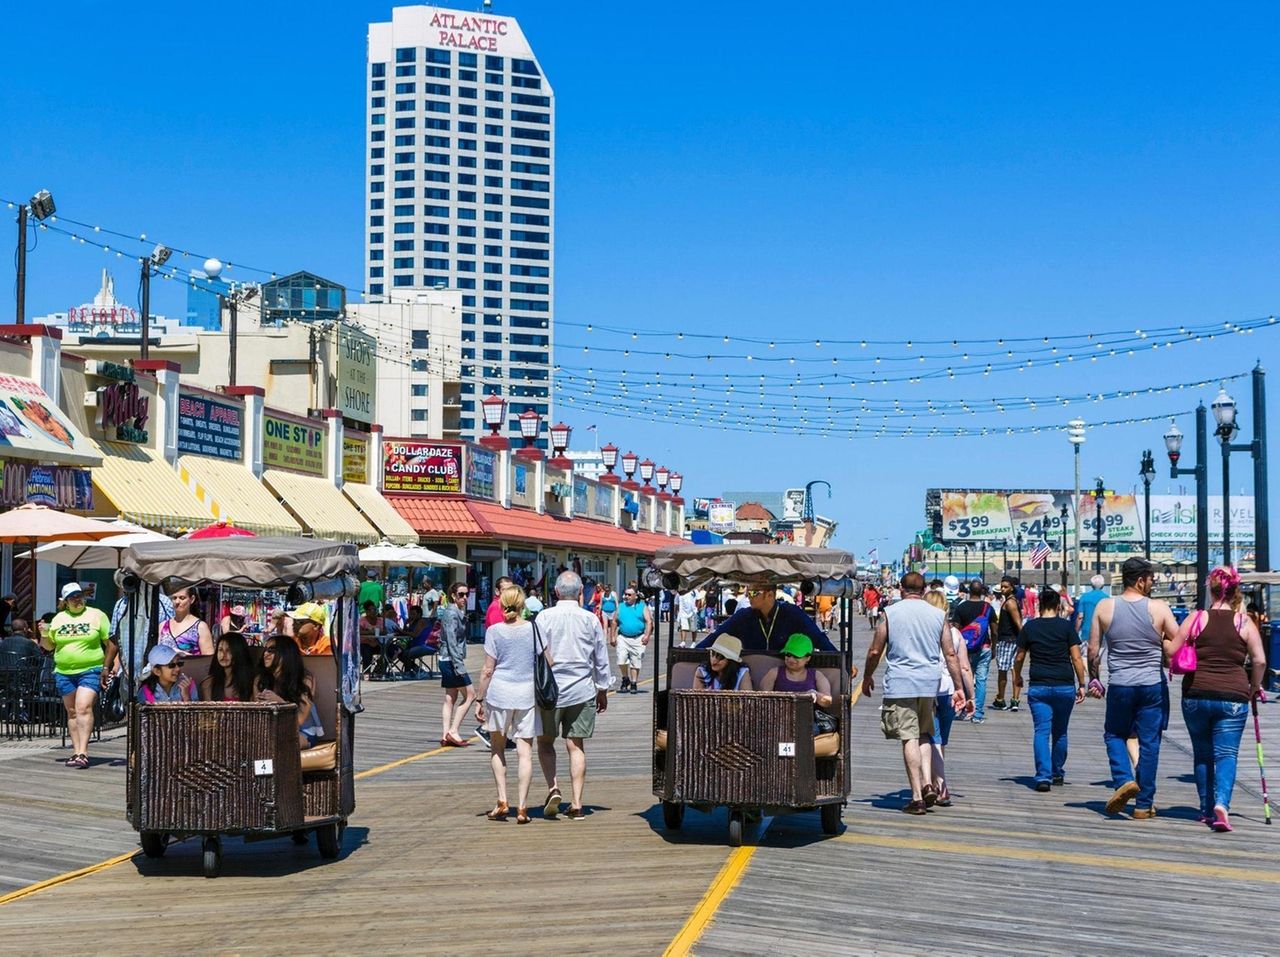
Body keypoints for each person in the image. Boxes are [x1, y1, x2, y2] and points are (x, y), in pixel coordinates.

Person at [861, 572, 969, 814]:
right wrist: (959, 687)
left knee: (908, 736)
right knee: (925, 734)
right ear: (923, 590)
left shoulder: (891, 613)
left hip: (901, 683)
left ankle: (917, 796)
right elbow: (950, 654)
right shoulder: (938, 615)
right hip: (929, 683)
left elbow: (875, 650)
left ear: (901, 589)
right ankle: (929, 783)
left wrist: (868, 676)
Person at [1088, 556, 1183, 818]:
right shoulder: (1160, 608)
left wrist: (1093, 679)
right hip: (1152, 684)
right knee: (1150, 743)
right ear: (1141, 580)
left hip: (1120, 684)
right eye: (1151, 578)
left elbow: (1093, 650)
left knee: (1114, 735)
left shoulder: (1105, 607)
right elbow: (1178, 643)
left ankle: (1123, 779)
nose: (1153, 582)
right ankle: (1143, 806)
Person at [1178, 566, 1267, 832]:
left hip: (1196, 693)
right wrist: (1254, 686)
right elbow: (1260, 660)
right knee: (1226, 754)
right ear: (1235, 591)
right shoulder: (1244, 622)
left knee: (1203, 754)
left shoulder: (1196, 618)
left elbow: (1172, 649)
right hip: (1233, 695)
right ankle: (1221, 806)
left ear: (1211, 589)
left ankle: (1205, 810)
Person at [536, 571, 612, 820]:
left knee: (546, 742)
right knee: (575, 744)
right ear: (581, 592)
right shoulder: (590, 619)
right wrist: (603, 688)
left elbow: (536, 654)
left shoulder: (543, 617)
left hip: (550, 691)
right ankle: (578, 803)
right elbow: (601, 658)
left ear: (556, 592)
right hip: (582, 689)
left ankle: (553, 787)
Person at [473, 584, 548, 823]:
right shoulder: (534, 630)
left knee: (497, 748)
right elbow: (550, 661)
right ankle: (523, 808)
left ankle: (503, 801)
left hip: (499, 694)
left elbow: (487, 670)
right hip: (527, 695)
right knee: (525, 752)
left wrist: (479, 699)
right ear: (523, 604)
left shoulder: (495, 632)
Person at [1013, 588, 1087, 791]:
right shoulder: (1066, 627)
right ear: (1058, 606)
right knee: (1061, 732)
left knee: (1041, 731)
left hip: (1039, 686)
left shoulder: (1030, 628)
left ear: (1039, 605)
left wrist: (1017, 677)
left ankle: (1043, 776)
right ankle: (1057, 772)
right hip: (1064, 685)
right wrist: (1082, 684)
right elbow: (1076, 658)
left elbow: (1019, 657)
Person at [40, 583, 111, 769]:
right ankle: (76, 751)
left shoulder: (97, 615)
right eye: (72, 597)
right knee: (71, 712)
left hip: (91, 668)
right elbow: (48, 647)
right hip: (64, 671)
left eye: (79, 595)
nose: (77, 599)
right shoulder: (58, 619)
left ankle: (83, 752)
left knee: (83, 707)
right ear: (64, 602)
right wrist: (44, 634)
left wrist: (108, 667)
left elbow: (110, 643)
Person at [921, 591, 974, 806]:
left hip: (927, 689)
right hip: (951, 690)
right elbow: (964, 667)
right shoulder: (954, 634)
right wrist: (971, 696)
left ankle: (939, 785)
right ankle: (937, 782)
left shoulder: (922, 633)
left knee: (933, 738)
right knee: (940, 739)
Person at [698, 584, 835, 653]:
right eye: (748, 592)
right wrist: (689, 654)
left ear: (770, 595)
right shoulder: (744, 616)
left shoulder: (792, 613)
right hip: (750, 676)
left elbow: (819, 639)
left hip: (784, 676)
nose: (749, 596)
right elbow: (715, 637)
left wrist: (842, 662)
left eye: (753, 592)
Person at [255, 636, 324, 748]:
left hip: (301, 732)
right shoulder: (260, 680)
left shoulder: (305, 679)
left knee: (279, 742)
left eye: (271, 650)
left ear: (286, 654)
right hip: (269, 731)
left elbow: (299, 720)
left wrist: (280, 702)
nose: (265, 654)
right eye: (265, 650)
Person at [951, 580, 994, 723]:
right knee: (981, 680)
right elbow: (994, 629)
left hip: (966, 649)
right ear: (982, 591)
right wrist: (994, 647)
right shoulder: (987, 607)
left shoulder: (961, 607)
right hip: (984, 647)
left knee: (965, 677)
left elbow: (955, 628)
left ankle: (964, 709)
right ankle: (978, 714)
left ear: (969, 591)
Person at [438, 581, 475, 747]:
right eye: (461, 594)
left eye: (467, 594)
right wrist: (459, 665)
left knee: (450, 697)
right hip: (451, 660)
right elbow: (452, 641)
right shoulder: (452, 613)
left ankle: (446, 734)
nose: (465, 598)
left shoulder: (455, 612)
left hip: (446, 659)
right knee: (470, 695)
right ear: (453, 596)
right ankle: (453, 730)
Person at [760, 634, 833, 707]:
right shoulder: (774, 673)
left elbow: (827, 701)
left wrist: (815, 694)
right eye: (788, 654)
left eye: (796, 656)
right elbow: (762, 700)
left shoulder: (816, 675)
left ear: (808, 658)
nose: (791, 659)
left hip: (807, 716)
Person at [991, 576, 1023, 712]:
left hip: (1007, 640)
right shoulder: (1010, 601)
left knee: (1004, 671)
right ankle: (1014, 700)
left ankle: (1002, 699)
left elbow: (1018, 623)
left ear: (1012, 588)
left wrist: (1025, 639)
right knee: (1014, 670)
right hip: (1011, 639)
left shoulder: (1010, 603)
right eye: (1002, 586)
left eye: (1006, 587)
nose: (1003, 589)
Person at [613, 584, 652, 693]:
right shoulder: (620, 606)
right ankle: (625, 679)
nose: (626, 596)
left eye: (629, 595)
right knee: (621, 659)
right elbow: (614, 621)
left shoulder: (642, 606)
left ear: (635, 596)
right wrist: (612, 636)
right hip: (623, 637)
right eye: (625, 594)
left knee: (635, 661)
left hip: (638, 637)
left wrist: (647, 635)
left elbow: (649, 621)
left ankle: (634, 683)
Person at [158, 586, 214, 657]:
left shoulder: (200, 627)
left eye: (182, 598)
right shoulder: (163, 626)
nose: (177, 602)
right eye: (174, 598)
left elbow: (208, 660)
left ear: (192, 599)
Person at [200, 632, 256, 702]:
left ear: (239, 652)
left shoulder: (252, 682)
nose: (223, 655)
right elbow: (208, 712)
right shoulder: (208, 684)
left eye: (228, 650)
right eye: (220, 650)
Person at [397, 604, 437, 674]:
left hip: (425, 645)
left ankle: (408, 672)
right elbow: (407, 632)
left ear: (419, 614)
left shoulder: (421, 621)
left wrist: (402, 631)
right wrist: (406, 624)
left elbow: (415, 634)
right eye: (410, 614)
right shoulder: (412, 622)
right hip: (415, 645)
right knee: (400, 654)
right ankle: (417, 669)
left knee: (406, 654)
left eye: (413, 614)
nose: (411, 616)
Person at [1073, 575, 1109, 647]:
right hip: (1102, 634)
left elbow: (1080, 617)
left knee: (1086, 656)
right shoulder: (1107, 598)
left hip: (1086, 633)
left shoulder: (1084, 597)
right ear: (1103, 586)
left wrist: (1075, 632)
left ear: (1091, 585)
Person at [359, 600, 387, 672]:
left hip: (378, 643)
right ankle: (366, 672)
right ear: (367, 611)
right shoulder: (362, 621)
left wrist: (381, 632)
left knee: (389, 650)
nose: (374, 611)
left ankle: (379, 670)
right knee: (367, 651)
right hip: (365, 644)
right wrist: (369, 632)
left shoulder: (380, 620)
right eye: (371, 610)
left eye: (375, 609)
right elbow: (358, 632)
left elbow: (385, 631)